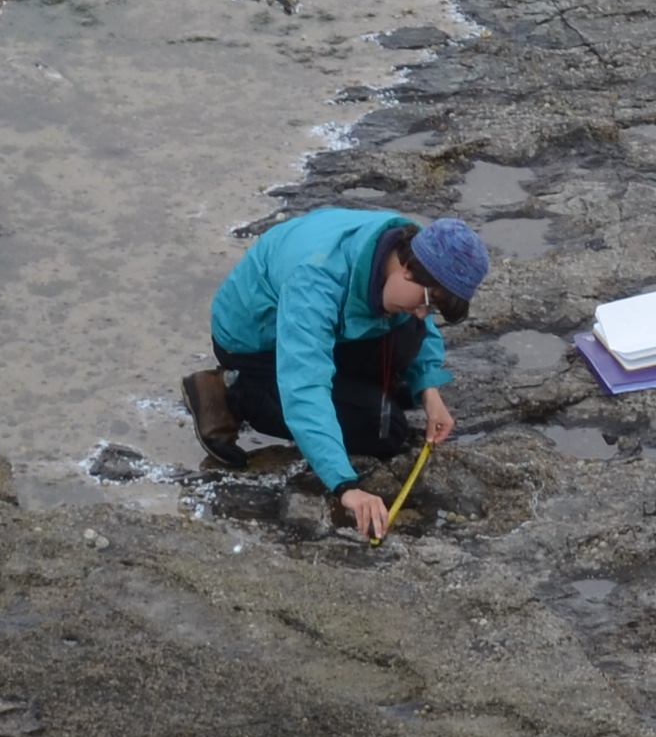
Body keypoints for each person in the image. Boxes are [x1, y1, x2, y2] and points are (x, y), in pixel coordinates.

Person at [187, 208, 490, 541]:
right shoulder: (315, 280)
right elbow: (305, 387)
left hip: (331, 325)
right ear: (406, 269)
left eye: (431, 309)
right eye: (425, 302)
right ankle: (232, 391)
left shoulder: (412, 246)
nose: (423, 313)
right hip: (256, 344)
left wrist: (429, 392)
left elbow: (422, 324)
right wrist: (345, 485)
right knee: (385, 430)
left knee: (406, 337)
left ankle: (352, 389)